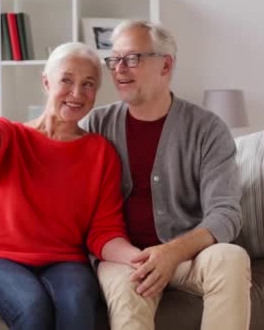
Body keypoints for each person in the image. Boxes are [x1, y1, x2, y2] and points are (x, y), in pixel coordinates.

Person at [0, 42, 141, 330]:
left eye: (88, 84)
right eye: (66, 80)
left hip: (65, 261)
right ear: (46, 82)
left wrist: (141, 259)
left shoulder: (101, 153)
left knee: (77, 303)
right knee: (33, 305)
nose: (77, 93)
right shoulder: (11, 135)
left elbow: (105, 231)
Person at [79, 20, 251, 330]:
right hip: (123, 259)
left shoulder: (207, 129)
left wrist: (171, 253)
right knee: (128, 299)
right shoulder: (96, 125)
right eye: (114, 60)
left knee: (231, 258)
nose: (119, 69)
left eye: (132, 58)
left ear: (166, 64)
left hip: (189, 256)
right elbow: (41, 153)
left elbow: (226, 213)